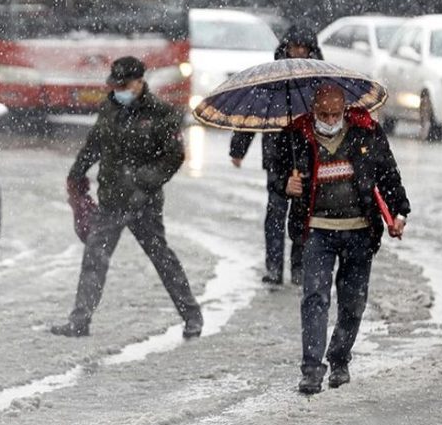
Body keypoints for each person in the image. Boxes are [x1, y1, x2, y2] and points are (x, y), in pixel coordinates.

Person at [270, 83, 410, 395]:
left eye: (336, 113)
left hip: (360, 231)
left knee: (353, 304)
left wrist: (400, 211)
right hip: (316, 231)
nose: (330, 119)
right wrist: (285, 184)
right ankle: (311, 370)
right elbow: (275, 173)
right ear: (313, 110)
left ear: (345, 109)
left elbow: (388, 174)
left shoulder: (367, 131)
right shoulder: (295, 135)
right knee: (315, 298)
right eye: (323, 114)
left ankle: (339, 358)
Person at [51, 56, 203, 339]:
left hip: (143, 203)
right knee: (94, 258)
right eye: (115, 85)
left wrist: (143, 182)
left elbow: (173, 156)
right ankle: (79, 321)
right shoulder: (110, 107)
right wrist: (76, 173)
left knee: (162, 259)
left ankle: (192, 316)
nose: (118, 90)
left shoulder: (161, 113)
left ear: (139, 82)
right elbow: (94, 143)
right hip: (110, 200)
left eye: (123, 85)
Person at [230, 23, 323, 285]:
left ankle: (299, 267)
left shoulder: (319, 82)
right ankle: (273, 267)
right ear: (286, 47)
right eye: (295, 47)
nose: (298, 52)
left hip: (309, 156)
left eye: (303, 48)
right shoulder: (271, 82)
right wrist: (238, 149)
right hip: (276, 156)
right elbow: (253, 114)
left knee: (303, 216)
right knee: (275, 213)